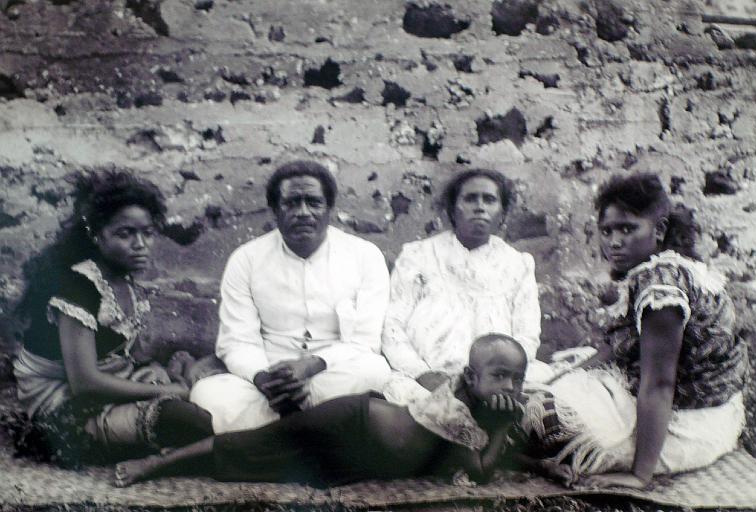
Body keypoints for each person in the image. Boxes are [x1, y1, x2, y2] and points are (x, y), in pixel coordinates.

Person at [517, 173, 748, 488]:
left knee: (530, 415)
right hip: (701, 412)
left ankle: (518, 454)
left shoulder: (661, 288)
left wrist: (639, 476)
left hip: (688, 426)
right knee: (536, 384)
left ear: (659, 230)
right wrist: (557, 379)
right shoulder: (664, 268)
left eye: (627, 229)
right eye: (607, 230)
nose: (614, 241)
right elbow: (613, 348)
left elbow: (660, 384)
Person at [114, 333, 528, 487]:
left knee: (271, 470)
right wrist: (504, 426)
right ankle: (158, 464)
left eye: (517, 379)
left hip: (362, 456)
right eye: (500, 376)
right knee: (256, 444)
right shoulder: (455, 408)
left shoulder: (477, 398)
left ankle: (182, 462)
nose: (510, 387)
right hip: (351, 424)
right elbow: (479, 472)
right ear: (470, 378)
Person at [11, 169, 213, 467]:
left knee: (206, 386)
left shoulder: (125, 280)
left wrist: (173, 367)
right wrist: (166, 389)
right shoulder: (79, 288)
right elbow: (85, 383)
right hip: (64, 399)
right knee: (188, 419)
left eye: (147, 233)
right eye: (125, 234)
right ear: (96, 235)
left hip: (107, 379)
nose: (140, 244)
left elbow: (122, 353)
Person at [190, 160, 392, 433]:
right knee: (207, 394)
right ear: (274, 209)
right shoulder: (246, 259)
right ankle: (321, 428)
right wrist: (266, 380)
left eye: (313, 202)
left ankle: (269, 434)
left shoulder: (365, 256)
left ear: (330, 208)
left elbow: (365, 341)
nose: (303, 212)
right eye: (291, 203)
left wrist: (310, 366)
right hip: (269, 378)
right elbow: (236, 341)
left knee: (374, 369)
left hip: (331, 372)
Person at [381, 168, 545, 405]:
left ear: (502, 213)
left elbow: (526, 336)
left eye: (489, 200)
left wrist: (497, 377)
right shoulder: (418, 256)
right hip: (424, 377)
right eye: (470, 199)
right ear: (452, 210)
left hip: (496, 382)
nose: (480, 207)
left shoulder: (518, 264)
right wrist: (421, 373)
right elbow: (392, 326)